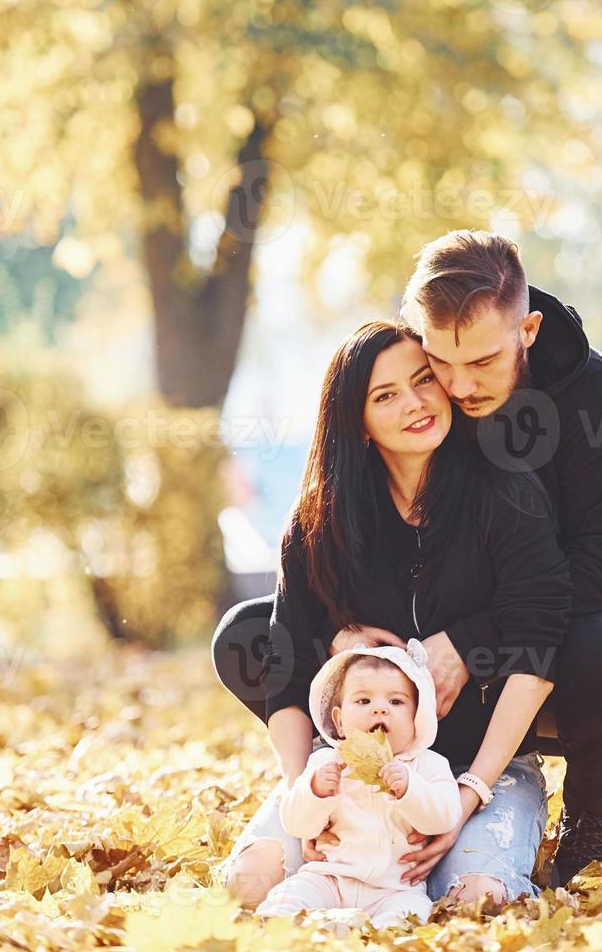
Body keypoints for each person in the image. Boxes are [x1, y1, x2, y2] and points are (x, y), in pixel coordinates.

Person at [214, 230, 602, 891]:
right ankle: (358, 765)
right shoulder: (419, 397)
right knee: (255, 634)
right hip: (437, 610)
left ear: (528, 330)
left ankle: (586, 816)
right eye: (436, 364)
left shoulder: (597, 397)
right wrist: (348, 636)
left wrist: (472, 642)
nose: (455, 386)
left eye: (480, 363)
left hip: (570, 615)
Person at [221, 321, 568, 911]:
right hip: (352, 778)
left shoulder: (505, 492)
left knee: (473, 904)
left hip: (476, 769)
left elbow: (538, 644)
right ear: (356, 420)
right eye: (386, 396)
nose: (416, 403)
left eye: (424, 380)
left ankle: (461, 866)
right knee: (248, 886)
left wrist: (464, 800)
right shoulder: (317, 523)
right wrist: (304, 791)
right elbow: (287, 664)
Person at [256, 641, 462, 927]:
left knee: (411, 915)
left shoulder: (427, 766)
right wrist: (314, 791)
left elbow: (444, 818)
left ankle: (375, 935)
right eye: (364, 701)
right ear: (339, 721)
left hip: (395, 888)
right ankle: (285, 931)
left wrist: (411, 790)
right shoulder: (326, 763)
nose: (380, 710)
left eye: (396, 702)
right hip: (329, 877)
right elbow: (296, 825)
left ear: (418, 716)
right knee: (290, 898)